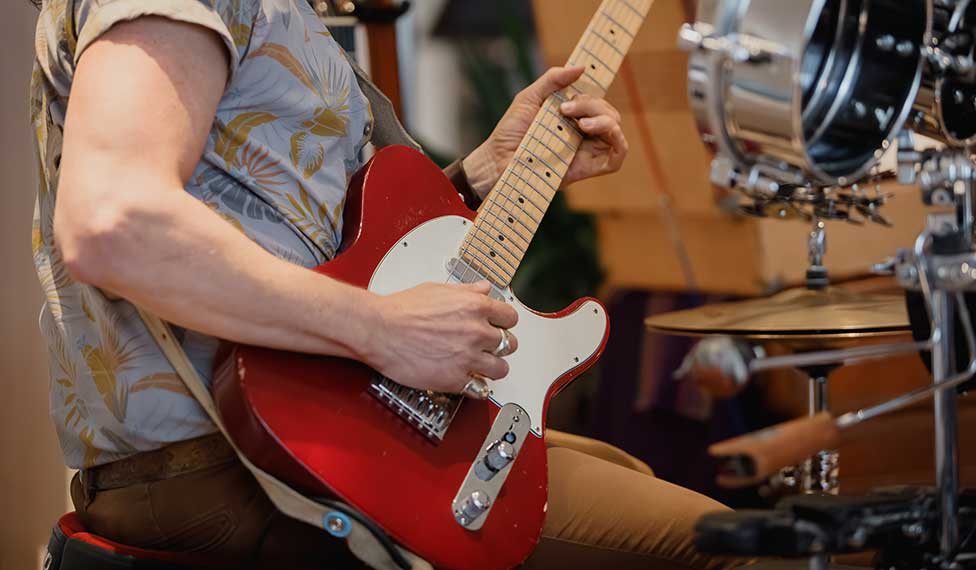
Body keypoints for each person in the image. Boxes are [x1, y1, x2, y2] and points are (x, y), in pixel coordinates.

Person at [29, 0, 737, 568]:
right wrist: (385, 330)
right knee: (736, 546)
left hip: (315, 420)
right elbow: (113, 223)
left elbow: (309, 236)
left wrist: (483, 175)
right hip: (238, 460)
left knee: (624, 468)